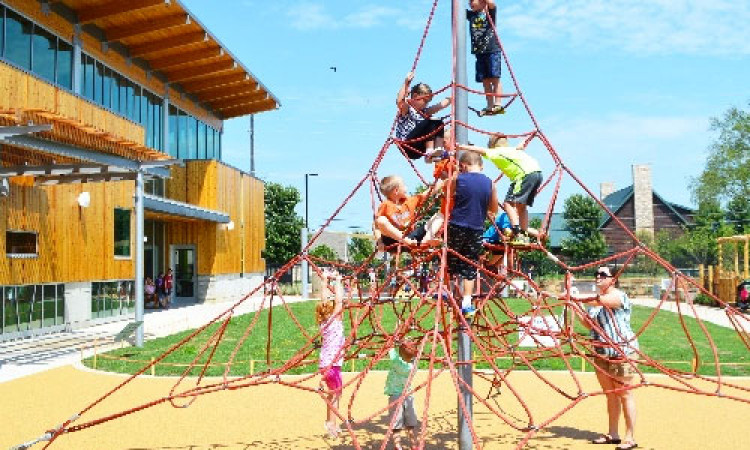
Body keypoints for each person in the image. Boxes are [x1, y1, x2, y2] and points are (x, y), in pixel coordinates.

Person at [571, 267, 639, 450]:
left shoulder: (618, 296)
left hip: (622, 351)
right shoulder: (595, 302)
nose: (598, 277)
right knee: (610, 394)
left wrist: (573, 294)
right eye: (597, 274)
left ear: (613, 279)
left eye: (603, 275)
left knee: (624, 393)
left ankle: (630, 437)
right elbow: (588, 324)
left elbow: (600, 301)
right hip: (602, 352)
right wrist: (575, 306)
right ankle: (613, 433)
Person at [458, 134, 543, 245]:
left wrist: (462, 146)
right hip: (537, 173)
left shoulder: (497, 152)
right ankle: (523, 234)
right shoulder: (513, 150)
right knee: (522, 207)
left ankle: (517, 232)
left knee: (508, 204)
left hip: (523, 176)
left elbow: (481, 150)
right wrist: (530, 136)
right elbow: (521, 145)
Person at [447, 151, 498, 318]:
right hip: (476, 228)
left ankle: (445, 290)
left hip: (457, 224)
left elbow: (448, 196)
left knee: (448, 258)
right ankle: (467, 303)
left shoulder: (459, 178)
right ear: (481, 166)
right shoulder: (490, 183)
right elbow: (493, 209)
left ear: (463, 166)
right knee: (470, 265)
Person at [374, 175, 443, 249]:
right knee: (381, 220)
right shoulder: (385, 205)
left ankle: (426, 240)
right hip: (392, 240)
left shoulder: (409, 201)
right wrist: (380, 242)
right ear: (396, 190)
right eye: (403, 185)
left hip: (411, 238)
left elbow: (428, 193)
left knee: (440, 216)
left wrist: (442, 181)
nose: (405, 187)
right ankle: (406, 241)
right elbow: (376, 226)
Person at [316, 269, 346, 439]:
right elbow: (339, 301)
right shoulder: (334, 321)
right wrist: (338, 280)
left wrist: (325, 280)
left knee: (334, 393)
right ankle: (331, 424)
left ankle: (331, 422)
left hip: (325, 364)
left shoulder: (323, 323)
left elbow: (324, 299)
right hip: (332, 365)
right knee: (335, 395)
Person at [395, 72, 452, 160]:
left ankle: (436, 151)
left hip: (419, 148)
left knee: (438, 121)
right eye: (425, 101)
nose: (426, 104)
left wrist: (453, 94)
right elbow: (400, 101)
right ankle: (429, 152)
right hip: (408, 145)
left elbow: (441, 105)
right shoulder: (407, 109)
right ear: (415, 96)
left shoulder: (424, 112)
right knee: (431, 120)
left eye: (428, 102)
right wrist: (406, 83)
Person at [467, 0, 503, 116]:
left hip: (492, 50)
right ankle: (489, 105)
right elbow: (458, 11)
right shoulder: (472, 15)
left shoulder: (489, 13)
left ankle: (498, 104)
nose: (470, 2)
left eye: (473, 0)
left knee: (495, 78)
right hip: (479, 53)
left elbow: (492, 3)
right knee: (485, 80)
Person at [384, 339, 420, 450]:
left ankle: (398, 446)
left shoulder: (396, 362)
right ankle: (413, 445)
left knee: (396, 426)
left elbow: (389, 348)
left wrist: (394, 341)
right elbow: (415, 355)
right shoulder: (414, 366)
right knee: (410, 425)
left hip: (395, 396)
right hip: (408, 396)